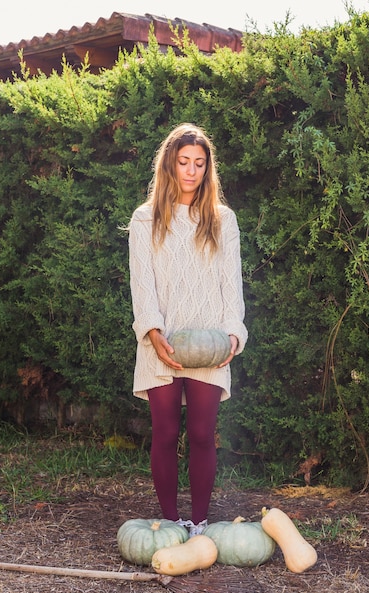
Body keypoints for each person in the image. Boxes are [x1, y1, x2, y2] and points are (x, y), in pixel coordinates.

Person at [128, 123, 248, 536]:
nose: (191, 171)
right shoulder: (145, 219)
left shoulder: (222, 219)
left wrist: (234, 333)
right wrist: (153, 332)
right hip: (160, 341)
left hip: (210, 344)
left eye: (199, 163)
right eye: (184, 162)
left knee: (200, 433)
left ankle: (198, 524)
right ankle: (169, 521)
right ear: (170, 165)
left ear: (207, 168)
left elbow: (231, 284)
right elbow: (142, 284)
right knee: (164, 432)